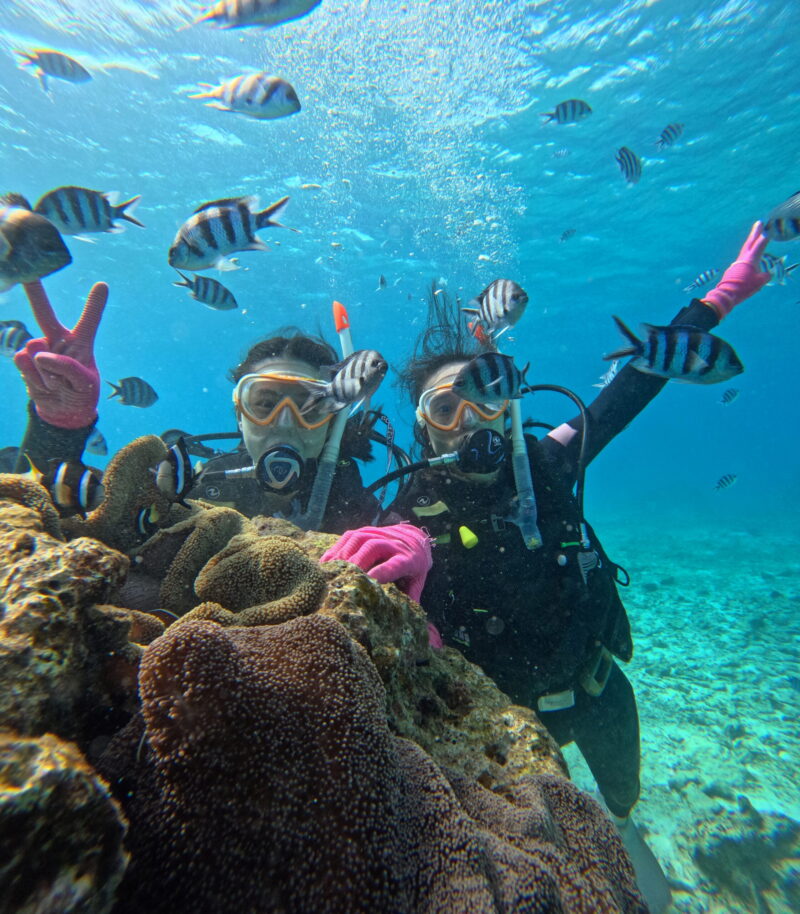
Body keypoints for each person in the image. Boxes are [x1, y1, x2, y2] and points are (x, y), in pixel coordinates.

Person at [320, 222, 772, 912]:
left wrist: (723, 296)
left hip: (596, 692)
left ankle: (624, 825)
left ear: (509, 405)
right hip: (499, 729)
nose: (469, 419)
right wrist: (404, 547)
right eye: (446, 407)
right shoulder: (407, 505)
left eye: (485, 398)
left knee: (621, 805)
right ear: (424, 426)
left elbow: (638, 380)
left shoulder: (550, 460)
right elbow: (360, 559)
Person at [10, 278, 432, 593]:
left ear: (334, 421)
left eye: (310, 405)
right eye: (264, 403)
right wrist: (60, 428)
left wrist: (415, 543)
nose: (285, 422)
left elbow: (405, 565)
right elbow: (58, 543)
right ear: (239, 416)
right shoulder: (192, 487)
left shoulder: (353, 504)